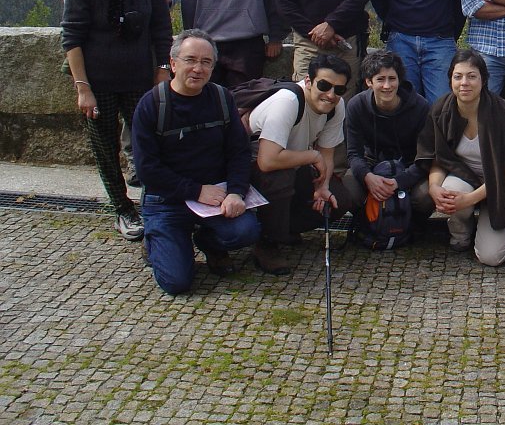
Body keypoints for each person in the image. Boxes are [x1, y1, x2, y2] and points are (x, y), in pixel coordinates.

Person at [61, 0, 172, 241]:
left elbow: (161, 29)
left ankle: (153, 204)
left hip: (140, 79)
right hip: (100, 83)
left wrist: (162, 70)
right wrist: (83, 88)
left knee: (150, 144)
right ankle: (122, 208)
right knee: (105, 148)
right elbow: (72, 39)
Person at [133, 30, 261, 295]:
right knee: (176, 283)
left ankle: (208, 242)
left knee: (247, 230)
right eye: (190, 60)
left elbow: (238, 152)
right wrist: (196, 191)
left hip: (215, 196)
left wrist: (236, 192)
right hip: (167, 200)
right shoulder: (152, 105)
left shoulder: (222, 99)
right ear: (174, 63)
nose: (197, 68)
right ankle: (159, 240)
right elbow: (147, 170)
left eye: (206, 62)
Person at [247, 54, 353, 275]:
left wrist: (322, 187)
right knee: (281, 177)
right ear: (308, 81)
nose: (331, 95)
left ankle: (283, 228)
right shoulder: (288, 101)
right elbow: (267, 160)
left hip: (291, 160)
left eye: (339, 90)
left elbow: (328, 153)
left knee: (338, 199)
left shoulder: (336, 106)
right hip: (251, 163)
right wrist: (312, 157)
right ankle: (267, 242)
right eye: (324, 85)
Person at [417, 49, 505, 266]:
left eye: (472, 76)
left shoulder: (504, 114)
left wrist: (471, 199)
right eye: (458, 76)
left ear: (484, 80)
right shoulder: (440, 110)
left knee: (491, 257)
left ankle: (497, 224)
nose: (464, 83)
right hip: (464, 176)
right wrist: (434, 187)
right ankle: (461, 231)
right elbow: (438, 158)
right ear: (450, 80)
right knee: (447, 190)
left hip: (501, 184)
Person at [121, 0, 180, 186]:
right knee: (130, 104)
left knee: (158, 100)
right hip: (125, 41)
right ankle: (134, 161)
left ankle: (153, 159)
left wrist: (160, 1)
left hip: (155, 36)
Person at [342, 50, 434, 224]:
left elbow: (426, 157)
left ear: (399, 80)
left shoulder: (420, 107)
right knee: (348, 190)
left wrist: (399, 181)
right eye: (380, 79)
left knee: (426, 195)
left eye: (392, 79)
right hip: (372, 165)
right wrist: (368, 177)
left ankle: (409, 225)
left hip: (409, 167)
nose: (387, 86)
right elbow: (353, 153)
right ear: (369, 82)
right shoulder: (356, 106)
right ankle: (369, 224)